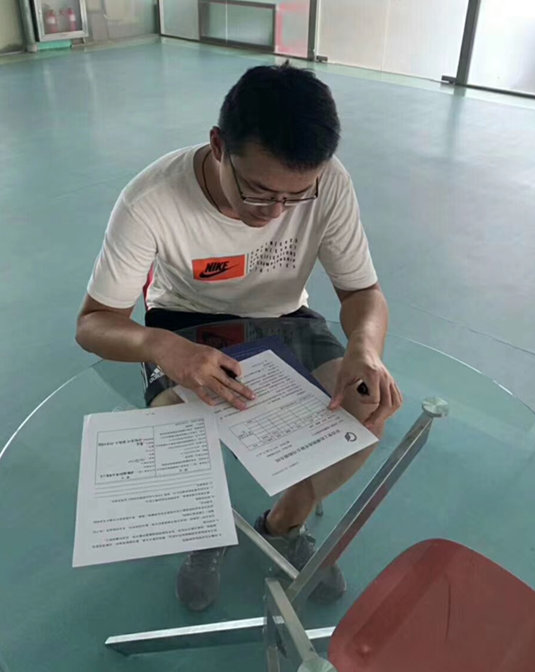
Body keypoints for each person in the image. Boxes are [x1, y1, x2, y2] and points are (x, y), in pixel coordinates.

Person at [76, 62, 403, 611]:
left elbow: (362, 292)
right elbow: (93, 322)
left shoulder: (329, 183)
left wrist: (365, 348)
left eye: (296, 196)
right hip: (186, 320)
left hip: (286, 317)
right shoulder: (152, 199)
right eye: (259, 191)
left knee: (365, 411)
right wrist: (164, 347)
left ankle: (284, 523)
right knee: (174, 434)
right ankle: (207, 532)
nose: (275, 212)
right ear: (218, 145)